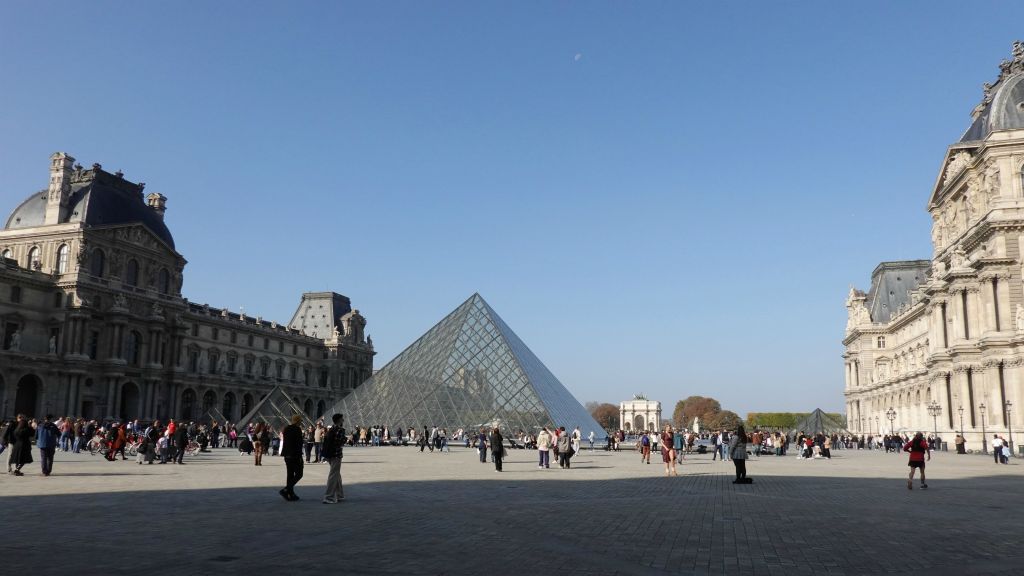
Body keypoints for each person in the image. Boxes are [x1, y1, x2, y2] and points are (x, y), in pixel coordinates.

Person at [321, 414, 345, 503]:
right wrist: (345, 440)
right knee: (333, 476)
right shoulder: (340, 430)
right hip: (336, 455)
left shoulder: (331, 429)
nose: (343, 420)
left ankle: (340, 495)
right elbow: (339, 443)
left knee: (336, 475)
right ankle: (328, 497)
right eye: (342, 418)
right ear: (339, 420)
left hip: (329, 455)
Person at [280, 414, 304, 501]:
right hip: (295, 455)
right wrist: (299, 456)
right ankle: (286, 490)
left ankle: (290, 494)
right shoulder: (297, 429)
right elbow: (298, 444)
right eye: (300, 421)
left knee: (290, 475)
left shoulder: (286, 428)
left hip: (287, 455)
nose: (301, 422)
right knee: (299, 474)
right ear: (298, 421)